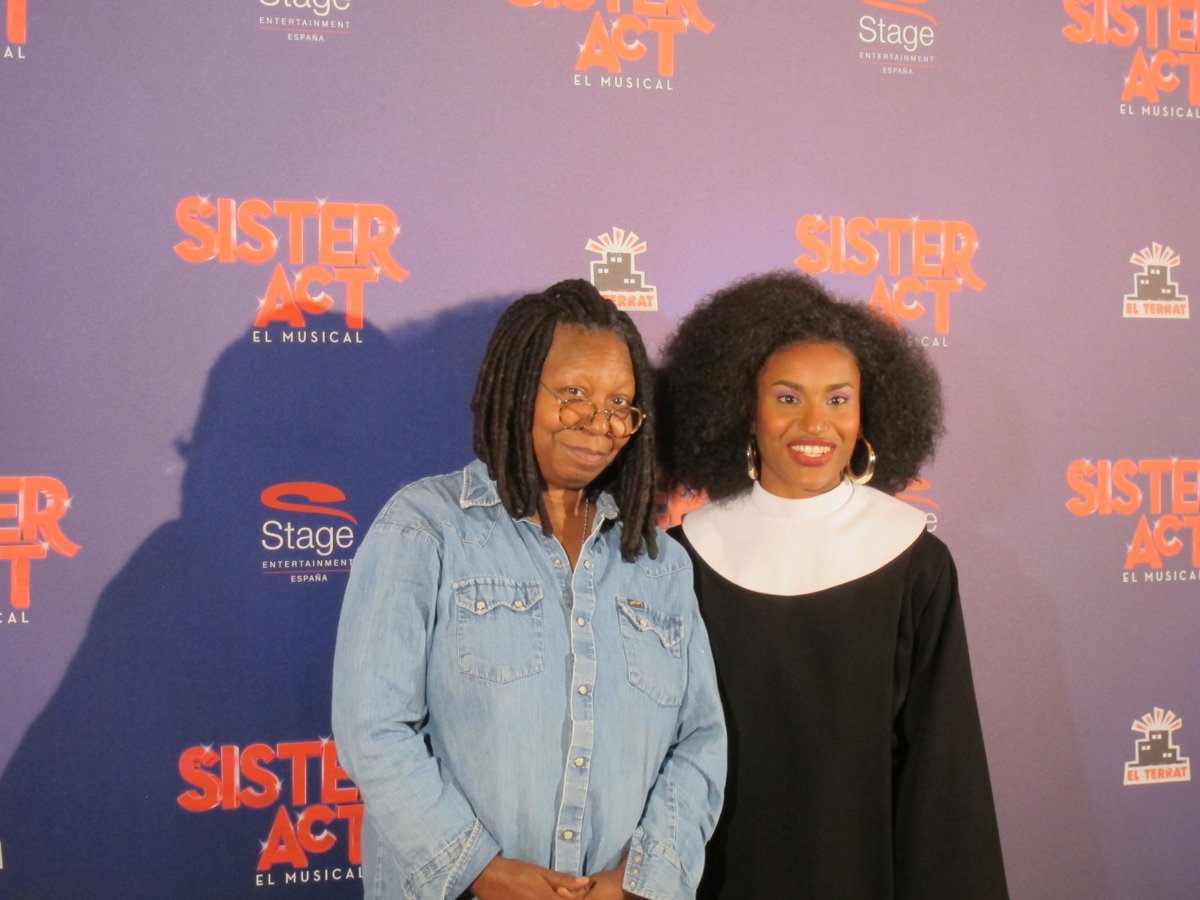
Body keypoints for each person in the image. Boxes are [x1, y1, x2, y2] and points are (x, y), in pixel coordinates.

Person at [332, 279, 726, 900]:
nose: (600, 423)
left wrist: (641, 880)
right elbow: (372, 729)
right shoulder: (426, 527)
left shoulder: (659, 563)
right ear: (518, 391)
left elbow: (700, 740)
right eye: (574, 394)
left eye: (621, 403)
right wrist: (481, 871)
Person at [658, 271, 1007, 899]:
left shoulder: (917, 563)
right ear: (744, 410)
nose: (816, 423)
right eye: (788, 398)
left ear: (867, 413)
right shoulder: (683, 558)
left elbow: (942, 777)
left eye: (839, 399)